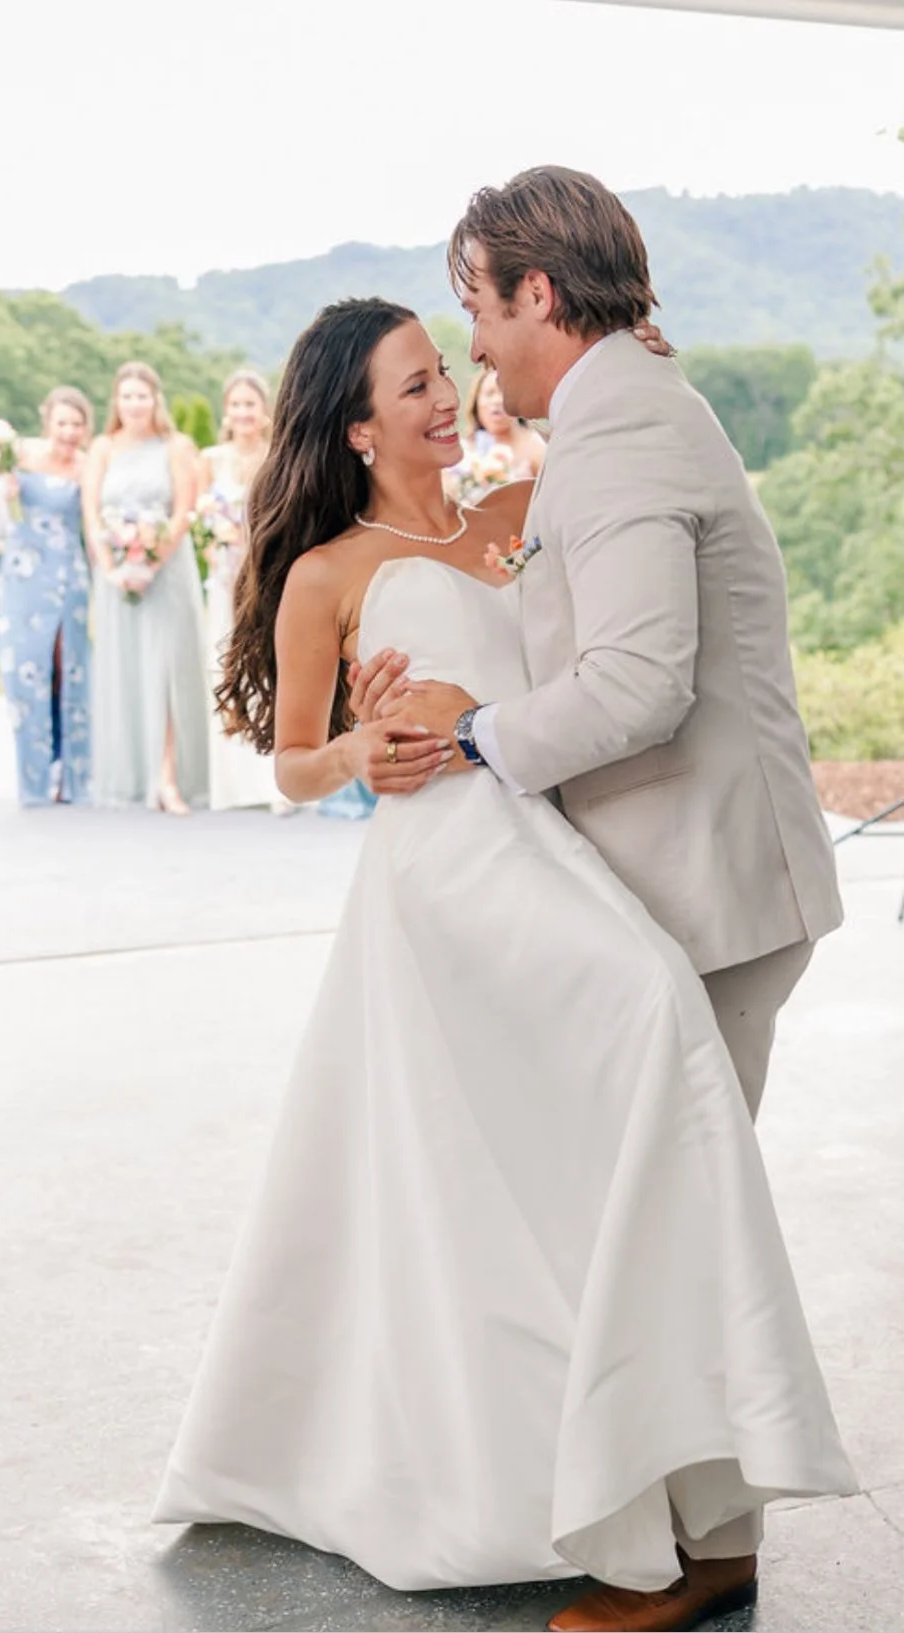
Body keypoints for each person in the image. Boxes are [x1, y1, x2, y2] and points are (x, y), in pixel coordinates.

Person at [152, 299, 854, 1608]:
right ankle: (621, 1482)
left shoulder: (528, 504)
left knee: (591, 1121)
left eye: (443, 371)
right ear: (356, 428)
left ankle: (660, 1464)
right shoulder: (325, 577)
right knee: (565, 1089)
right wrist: (359, 753)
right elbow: (294, 760)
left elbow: (602, 663)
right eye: (413, 386)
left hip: (550, 843)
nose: (444, 396)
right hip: (438, 880)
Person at [363, 166, 847, 1632]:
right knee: (653, 1216)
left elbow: (636, 683)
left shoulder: (622, 430)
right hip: (684, 882)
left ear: (537, 292)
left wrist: (466, 736)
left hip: (707, 892)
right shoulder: (621, 411)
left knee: (664, 1227)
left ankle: (706, 1555)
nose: (474, 349)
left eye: (477, 306)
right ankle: (684, 1522)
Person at [83, 362, 207, 813]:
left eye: (143, 396)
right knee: (127, 670)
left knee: (166, 671)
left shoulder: (176, 447)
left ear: (156, 400)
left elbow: (183, 512)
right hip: (115, 576)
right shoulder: (102, 448)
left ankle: (169, 778)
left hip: (167, 571)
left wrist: (151, 560)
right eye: (127, 396)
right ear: (116, 402)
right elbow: (92, 513)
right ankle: (130, 774)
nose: (135, 404)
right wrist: (114, 567)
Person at [0, 387, 92, 806]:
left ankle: (72, 776)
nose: (68, 432)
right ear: (47, 422)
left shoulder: (88, 466)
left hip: (69, 572)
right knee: (24, 669)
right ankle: (32, 777)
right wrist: (2, 492)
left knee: (67, 668)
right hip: (24, 574)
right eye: (61, 422)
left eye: (77, 424)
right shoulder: (20, 457)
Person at [199, 369, 290, 813]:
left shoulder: (277, 456)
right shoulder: (210, 459)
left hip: (265, 577)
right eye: (235, 405)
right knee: (225, 669)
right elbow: (199, 520)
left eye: (250, 404)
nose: (242, 413)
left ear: (264, 409)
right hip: (222, 580)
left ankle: (274, 780)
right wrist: (213, 541)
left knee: (268, 669)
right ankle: (233, 784)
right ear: (226, 410)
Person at [463, 364, 546, 474]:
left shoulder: (537, 446)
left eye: (504, 393)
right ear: (476, 402)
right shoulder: (464, 451)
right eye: (489, 393)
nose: (497, 401)